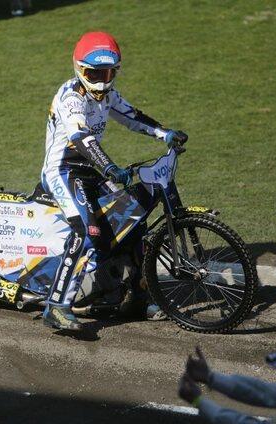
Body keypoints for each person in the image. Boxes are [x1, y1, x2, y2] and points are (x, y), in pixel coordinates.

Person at [40, 31, 187, 330]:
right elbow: (81, 139)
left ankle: (135, 297)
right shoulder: (70, 98)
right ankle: (56, 306)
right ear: (80, 70)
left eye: (107, 73)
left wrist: (165, 133)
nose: (101, 82)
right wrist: (108, 167)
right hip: (62, 171)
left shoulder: (108, 96)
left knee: (134, 223)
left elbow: (133, 117)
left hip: (90, 171)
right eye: (94, 74)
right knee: (84, 231)